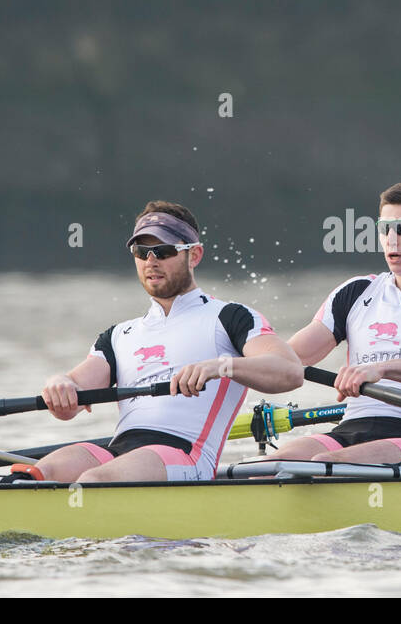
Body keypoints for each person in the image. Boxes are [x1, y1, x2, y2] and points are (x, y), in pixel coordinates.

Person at [31, 201, 303, 483]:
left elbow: (290, 371)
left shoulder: (229, 317)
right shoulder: (119, 335)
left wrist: (220, 367)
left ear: (194, 255)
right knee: (36, 474)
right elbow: (72, 397)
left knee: (94, 481)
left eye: (164, 250)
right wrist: (58, 383)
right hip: (119, 453)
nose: (151, 261)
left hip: (185, 455)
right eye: (141, 252)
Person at [263, 182, 401, 465]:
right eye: (385, 229)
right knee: (267, 467)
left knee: (323, 464)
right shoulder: (357, 291)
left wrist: (380, 369)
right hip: (350, 429)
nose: (392, 239)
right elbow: (289, 359)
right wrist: (225, 364)